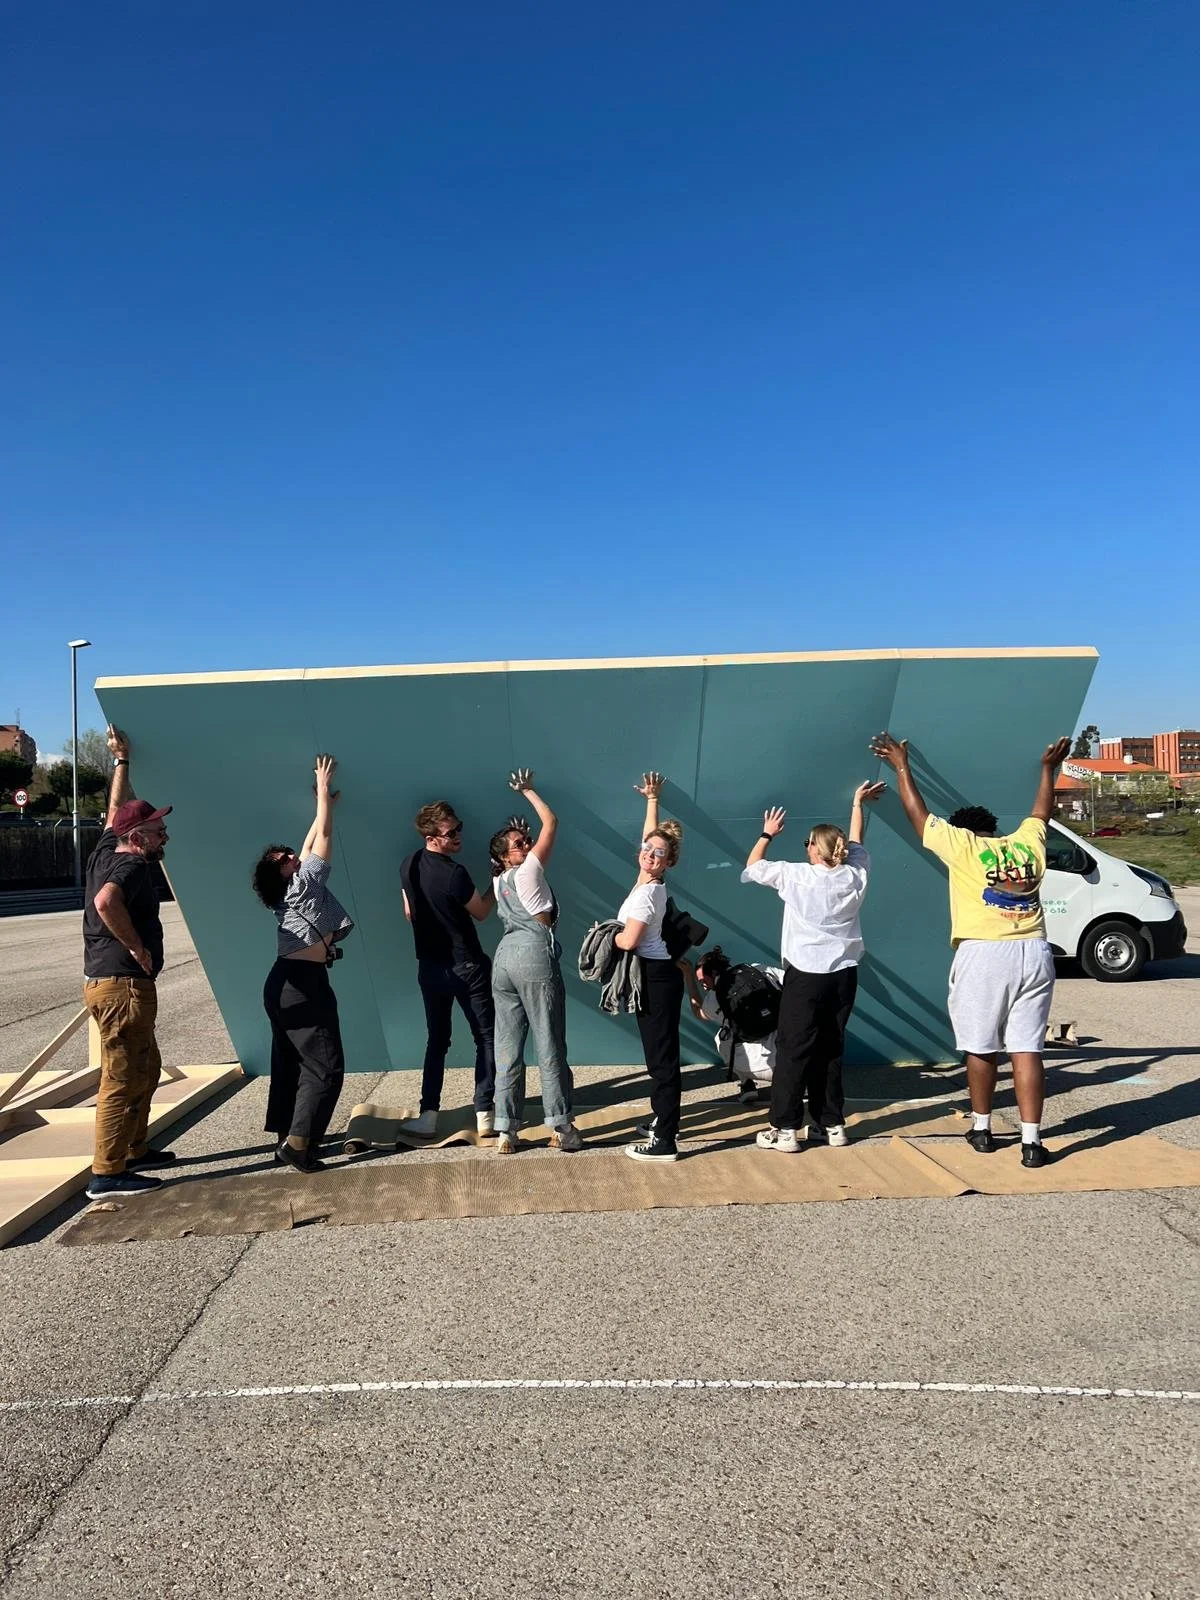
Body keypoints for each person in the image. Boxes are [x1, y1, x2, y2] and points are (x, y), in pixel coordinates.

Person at [870, 731, 1071, 1168]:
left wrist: (902, 766)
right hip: (1035, 951)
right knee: (1027, 1049)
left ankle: (982, 1129)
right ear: (994, 828)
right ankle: (1032, 1143)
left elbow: (917, 815)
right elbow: (1043, 810)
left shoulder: (963, 846)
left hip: (985, 952)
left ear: (963, 830)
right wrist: (1047, 768)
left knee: (981, 1047)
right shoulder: (1027, 843)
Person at [741, 781, 885, 1153]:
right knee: (831, 1048)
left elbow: (753, 867)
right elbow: (856, 844)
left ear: (815, 850)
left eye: (807, 841)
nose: (803, 846)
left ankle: (785, 1129)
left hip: (805, 975)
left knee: (793, 1050)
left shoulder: (795, 876)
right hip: (843, 975)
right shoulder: (855, 876)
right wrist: (857, 804)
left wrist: (766, 834)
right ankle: (831, 1125)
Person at [82, 725, 175, 1200]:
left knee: (147, 1066)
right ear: (138, 839)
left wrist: (122, 762)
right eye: (158, 830)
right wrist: (138, 946)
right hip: (123, 985)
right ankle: (106, 1173)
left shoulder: (107, 848)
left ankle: (134, 1150)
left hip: (114, 984)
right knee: (121, 1074)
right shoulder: (132, 866)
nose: (165, 834)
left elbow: (113, 813)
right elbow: (105, 902)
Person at [253, 754, 353, 1174]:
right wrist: (324, 798)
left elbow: (309, 842)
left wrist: (320, 804)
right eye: (285, 859)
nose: (294, 854)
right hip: (303, 985)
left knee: (292, 1061)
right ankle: (297, 1145)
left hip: (283, 984)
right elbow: (323, 837)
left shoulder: (289, 891)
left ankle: (287, 1132)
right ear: (283, 873)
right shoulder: (305, 885)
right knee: (326, 1067)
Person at [488, 769, 581, 1155]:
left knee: (507, 1048)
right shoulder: (529, 869)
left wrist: (514, 840)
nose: (526, 845)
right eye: (518, 843)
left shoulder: (499, 881)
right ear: (505, 855)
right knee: (549, 1043)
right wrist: (529, 791)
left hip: (504, 957)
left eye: (526, 841)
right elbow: (552, 822)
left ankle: (507, 1130)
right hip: (532, 955)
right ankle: (561, 1126)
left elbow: (516, 851)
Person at [400, 801, 497, 1138]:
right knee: (486, 1037)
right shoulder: (455, 874)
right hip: (467, 965)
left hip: (430, 969)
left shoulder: (407, 865)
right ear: (432, 836)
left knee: (437, 1041)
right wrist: (497, 880)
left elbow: (409, 912)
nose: (458, 836)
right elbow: (482, 911)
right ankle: (485, 1111)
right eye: (451, 832)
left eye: (459, 829)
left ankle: (428, 1115)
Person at [615, 772, 686, 1163]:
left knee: (662, 1062)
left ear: (669, 862)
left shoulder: (648, 895)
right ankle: (663, 1119)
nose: (650, 854)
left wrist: (606, 935)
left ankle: (665, 1141)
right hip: (657, 978)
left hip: (656, 979)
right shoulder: (646, 879)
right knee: (660, 1057)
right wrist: (652, 800)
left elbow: (628, 941)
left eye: (659, 854)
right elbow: (650, 838)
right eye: (648, 849)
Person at [683, 946, 781, 1103]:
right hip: (795, 1057)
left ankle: (746, 1085)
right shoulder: (758, 969)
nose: (704, 986)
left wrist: (688, 977)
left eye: (703, 981)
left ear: (714, 974)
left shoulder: (713, 998)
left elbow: (698, 1013)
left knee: (722, 1037)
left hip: (763, 1067)